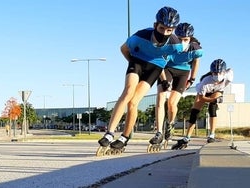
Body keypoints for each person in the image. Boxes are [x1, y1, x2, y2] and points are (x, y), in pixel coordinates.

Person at [98, 6, 182, 150]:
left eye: (169, 30)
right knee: (128, 92)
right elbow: (123, 49)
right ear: (155, 25)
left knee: (133, 103)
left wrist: (163, 79)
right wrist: (132, 63)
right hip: (137, 61)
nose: (165, 33)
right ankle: (109, 133)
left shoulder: (176, 45)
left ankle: (124, 137)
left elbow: (172, 63)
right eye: (162, 28)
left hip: (155, 67)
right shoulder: (140, 36)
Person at [149, 22, 203, 145]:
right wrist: (163, 80)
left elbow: (196, 63)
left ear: (190, 39)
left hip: (183, 72)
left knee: (172, 103)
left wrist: (192, 79)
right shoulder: (167, 44)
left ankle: (170, 124)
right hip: (166, 68)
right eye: (179, 39)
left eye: (185, 39)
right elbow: (159, 62)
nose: (182, 42)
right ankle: (158, 132)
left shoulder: (196, 48)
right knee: (161, 96)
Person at [172, 59, 234, 149]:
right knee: (194, 112)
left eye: (219, 73)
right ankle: (187, 137)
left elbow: (230, 71)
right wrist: (212, 100)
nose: (217, 76)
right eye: (215, 73)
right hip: (205, 93)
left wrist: (216, 100)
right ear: (211, 73)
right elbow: (202, 98)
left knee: (212, 108)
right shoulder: (205, 81)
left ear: (224, 72)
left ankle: (212, 134)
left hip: (217, 90)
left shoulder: (229, 76)